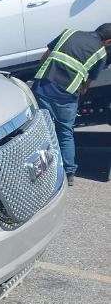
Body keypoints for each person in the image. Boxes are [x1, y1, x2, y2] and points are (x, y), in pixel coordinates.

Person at [32, 23, 111, 186]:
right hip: (67, 95)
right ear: (108, 41)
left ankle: (41, 171)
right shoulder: (101, 54)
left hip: (43, 86)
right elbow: (88, 82)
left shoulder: (69, 33)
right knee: (65, 133)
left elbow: (45, 57)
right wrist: (79, 95)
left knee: (41, 130)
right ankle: (69, 173)